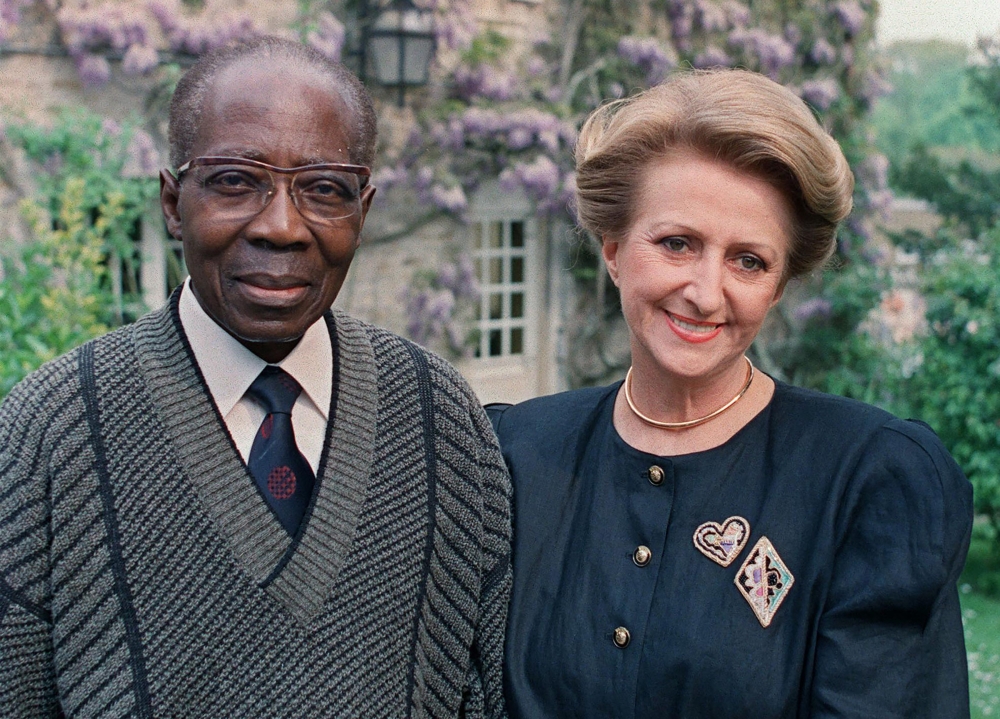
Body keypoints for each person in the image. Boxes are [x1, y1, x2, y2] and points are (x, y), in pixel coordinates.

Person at [0, 37, 511, 718]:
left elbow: (487, 693)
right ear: (173, 202)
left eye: (324, 189)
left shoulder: (441, 421)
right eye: (236, 181)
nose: (281, 227)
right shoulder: (53, 432)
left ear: (364, 209)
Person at [487, 68, 973, 718]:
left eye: (749, 260)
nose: (707, 291)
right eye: (677, 243)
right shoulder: (515, 454)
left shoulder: (868, 482)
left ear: (777, 285)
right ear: (613, 249)